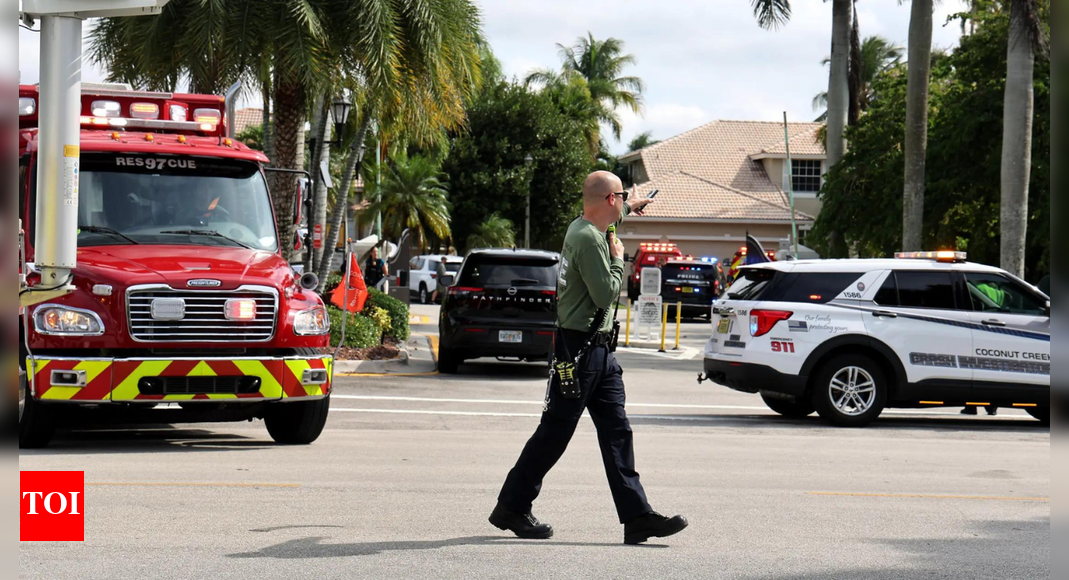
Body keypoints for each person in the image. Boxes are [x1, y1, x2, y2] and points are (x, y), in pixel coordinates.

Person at [489, 171, 688, 545]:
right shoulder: (591, 240)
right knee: (554, 434)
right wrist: (620, 261)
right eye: (623, 196)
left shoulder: (586, 225)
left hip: (598, 351)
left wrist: (633, 205)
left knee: (617, 431)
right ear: (609, 199)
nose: (624, 202)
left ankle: (638, 517)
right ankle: (511, 506)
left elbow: (613, 214)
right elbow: (604, 294)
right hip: (580, 349)